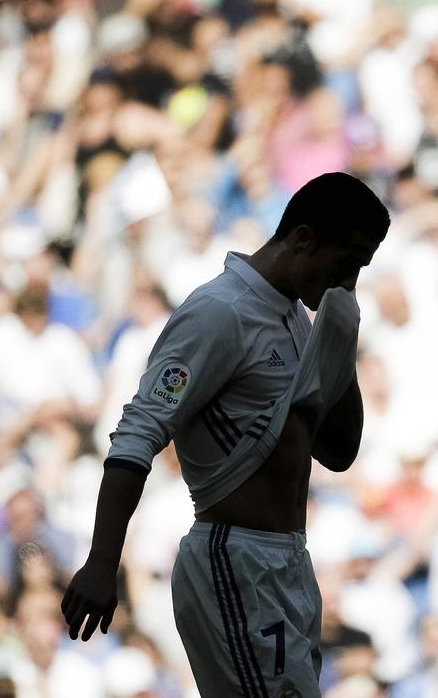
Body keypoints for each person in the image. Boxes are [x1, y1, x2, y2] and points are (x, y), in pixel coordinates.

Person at [61, 172, 390, 697]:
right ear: (304, 239)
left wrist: (340, 333)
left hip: (288, 561)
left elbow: (338, 449)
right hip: (234, 561)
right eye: (347, 262)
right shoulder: (220, 312)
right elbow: (138, 431)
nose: (348, 279)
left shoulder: (297, 318)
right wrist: (103, 561)